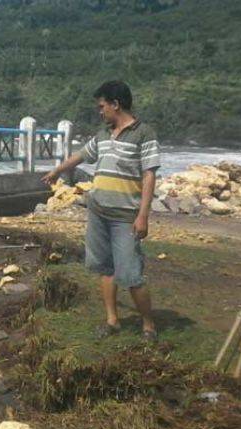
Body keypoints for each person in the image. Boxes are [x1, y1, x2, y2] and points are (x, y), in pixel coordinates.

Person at [42, 80, 160, 341]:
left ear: (116, 104)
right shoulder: (103, 134)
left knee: (131, 274)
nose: (100, 111)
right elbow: (81, 156)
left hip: (125, 218)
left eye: (102, 106)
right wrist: (57, 170)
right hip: (98, 213)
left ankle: (149, 325)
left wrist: (143, 216)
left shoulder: (144, 134)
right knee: (104, 268)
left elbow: (149, 175)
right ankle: (112, 320)